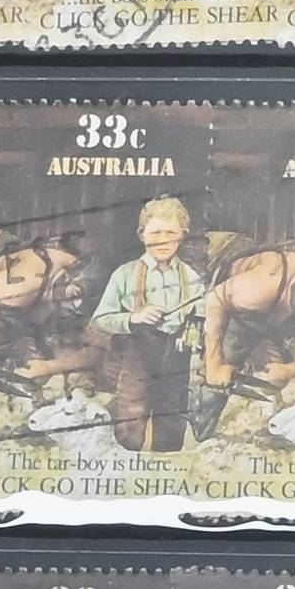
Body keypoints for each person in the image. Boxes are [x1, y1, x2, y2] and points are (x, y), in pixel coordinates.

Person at [89, 193, 217, 452]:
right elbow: (99, 321)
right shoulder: (124, 274)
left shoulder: (192, 277)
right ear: (142, 235)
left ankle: (166, 464)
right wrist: (133, 318)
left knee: (173, 415)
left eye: (171, 233)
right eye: (155, 233)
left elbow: (203, 318)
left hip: (177, 356)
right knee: (130, 415)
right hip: (136, 353)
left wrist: (195, 327)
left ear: (182, 236)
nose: (163, 240)